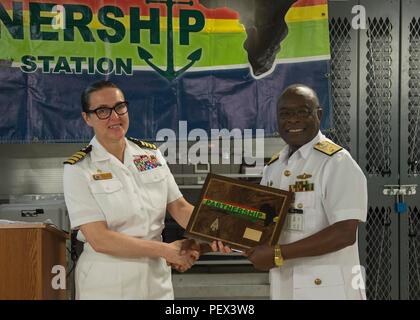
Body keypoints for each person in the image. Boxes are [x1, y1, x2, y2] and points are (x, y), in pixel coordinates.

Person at [63, 80, 228, 299]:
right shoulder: (79, 168)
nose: (114, 117)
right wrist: (166, 251)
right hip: (107, 283)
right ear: (87, 118)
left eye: (120, 107)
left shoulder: (150, 156)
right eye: (102, 111)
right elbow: (99, 238)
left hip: (156, 282)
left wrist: (222, 232)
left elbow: (179, 207)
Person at [245, 84, 367, 300]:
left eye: (302, 112)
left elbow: (345, 233)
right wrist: (208, 244)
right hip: (285, 287)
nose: (293, 119)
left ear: (319, 115)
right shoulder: (274, 167)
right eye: (285, 114)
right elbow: (262, 223)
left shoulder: (337, 162)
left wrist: (277, 254)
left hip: (329, 290)